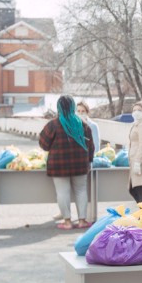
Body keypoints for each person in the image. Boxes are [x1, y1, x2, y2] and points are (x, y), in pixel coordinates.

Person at [39, 95, 95, 230]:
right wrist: (89, 160)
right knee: (81, 191)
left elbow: (44, 145)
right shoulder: (83, 124)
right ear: (72, 107)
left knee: (62, 192)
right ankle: (82, 221)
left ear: (58, 108)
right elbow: (90, 146)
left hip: (59, 165)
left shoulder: (52, 125)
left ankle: (68, 222)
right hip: (80, 165)